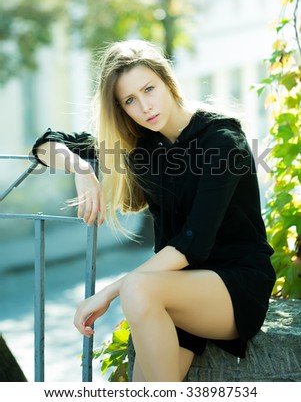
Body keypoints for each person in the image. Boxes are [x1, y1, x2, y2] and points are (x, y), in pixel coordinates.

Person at [32, 39, 276, 382]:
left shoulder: (221, 140)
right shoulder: (141, 143)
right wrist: (81, 169)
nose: (145, 106)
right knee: (144, 386)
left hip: (234, 286)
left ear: (168, 82)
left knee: (137, 289)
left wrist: (107, 293)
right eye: (130, 100)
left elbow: (193, 243)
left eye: (149, 88)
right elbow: (46, 144)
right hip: (175, 288)